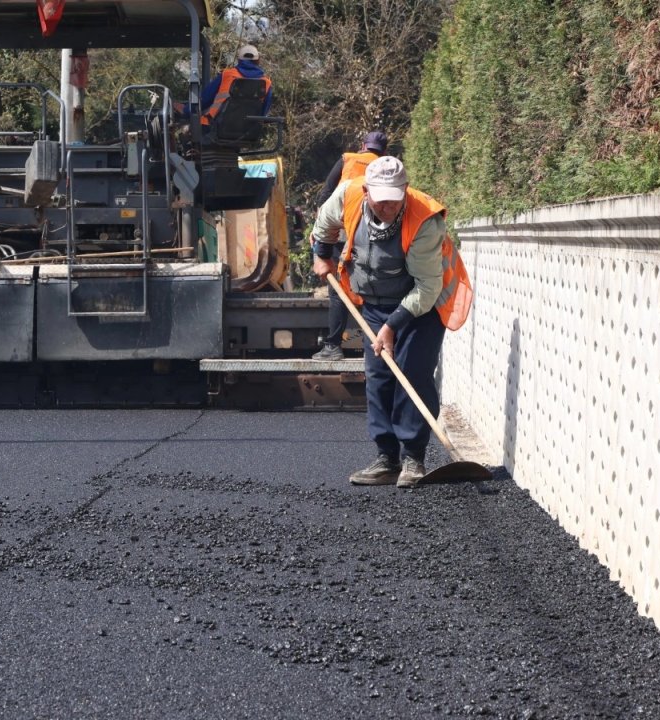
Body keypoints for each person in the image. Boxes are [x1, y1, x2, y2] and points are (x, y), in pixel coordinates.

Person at [310, 156, 472, 488]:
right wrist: (321, 255)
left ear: (405, 191)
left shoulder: (423, 220)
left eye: (395, 199)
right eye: (381, 199)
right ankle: (387, 458)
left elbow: (428, 288)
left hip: (422, 305)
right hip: (373, 301)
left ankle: (413, 458)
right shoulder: (347, 195)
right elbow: (323, 226)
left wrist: (392, 326)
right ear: (367, 191)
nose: (388, 207)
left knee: (412, 373)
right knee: (379, 377)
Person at [312, 130, 389, 361]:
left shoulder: (347, 159)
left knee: (338, 290)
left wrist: (320, 232)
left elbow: (325, 195)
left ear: (362, 145)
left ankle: (333, 346)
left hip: (341, 233)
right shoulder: (387, 165)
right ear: (384, 151)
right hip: (376, 237)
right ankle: (378, 346)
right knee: (374, 288)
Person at [174, 45, 273, 127]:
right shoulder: (267, 83)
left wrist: (186, 110)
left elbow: (205, 99)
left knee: (187, 137)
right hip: (246, 133)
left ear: (239, 60)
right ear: (258, 61)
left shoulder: (227, 75)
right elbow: (263, 114)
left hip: (213, 128)